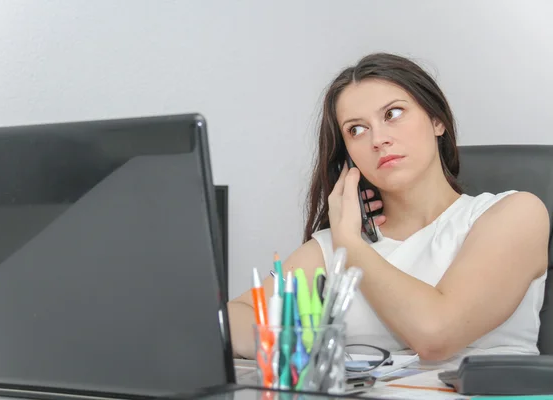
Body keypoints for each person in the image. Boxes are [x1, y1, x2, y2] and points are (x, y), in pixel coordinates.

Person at [227, 52, 549, 367]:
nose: (378, 139)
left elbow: (435, 334)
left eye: (393, 114)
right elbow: (230, 319)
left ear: (437, 120)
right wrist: (295, 346)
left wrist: (351, 247)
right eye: (356, 129)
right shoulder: (330, 247)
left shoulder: (514, 214)